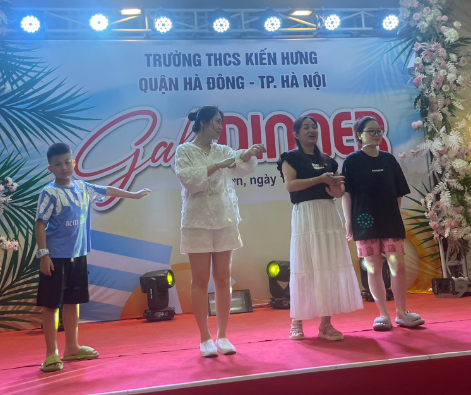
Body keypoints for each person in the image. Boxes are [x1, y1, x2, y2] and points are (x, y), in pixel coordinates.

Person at [35, 142, 151, 373]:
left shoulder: (82, 188)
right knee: (51, 305)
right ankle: (51, 354)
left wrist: (134, 195)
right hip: (55, 258)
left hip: (78, 256)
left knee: (73, 302)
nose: (64, 167)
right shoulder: (49, 193)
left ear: (74, 162)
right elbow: (40, 224)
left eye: (67, 162)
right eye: (58, 164)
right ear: (50, 168)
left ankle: (72, 347)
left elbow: (107, 190)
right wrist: (43, 254)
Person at [174, 106, 266, 357]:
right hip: (197, 221)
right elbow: (190, 180)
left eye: (221, 122)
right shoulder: (185, 150)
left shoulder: (223, 149)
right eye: (216, 121)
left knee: (224, 277)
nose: (220, 127)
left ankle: (223, 335)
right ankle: (204, 338)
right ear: (203, 122)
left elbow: (239, 162)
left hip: (224, 219)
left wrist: (248, 153)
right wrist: (217, 165)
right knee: (200, 279)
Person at [277, 115, 363, 341]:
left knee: (329, 267)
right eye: (306, 127)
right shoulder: (290, 158)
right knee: (304, 266)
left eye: (314, 127)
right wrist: (320, 179)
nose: (311, 130)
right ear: (296, 134)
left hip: (328, 214)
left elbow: (338, 191)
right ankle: (296, 321)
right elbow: (290, 185)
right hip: (306, 215)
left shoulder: (328, 161)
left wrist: (336, 189)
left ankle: (326, 324)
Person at [341, 116, 425, 331]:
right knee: (373, 268)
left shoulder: (389, 160)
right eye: (371, 131)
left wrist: (394, 215)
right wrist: (348, 222)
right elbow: (347, 194)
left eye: (379, 131)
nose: (376, 134)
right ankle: (383, 314)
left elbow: (398, 193)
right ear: (359, 135)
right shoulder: (351, 161)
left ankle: (401, 312)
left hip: (390, 221)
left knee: (398, 266)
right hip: (364, 221)